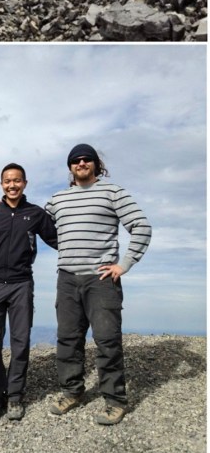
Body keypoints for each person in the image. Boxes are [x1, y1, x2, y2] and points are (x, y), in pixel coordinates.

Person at [45, 144, 151, 425]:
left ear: (96, 164)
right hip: (67, 279)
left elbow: (141, 226)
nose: (81, 163)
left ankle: (115, 400)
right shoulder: (57, 199)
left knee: (106, 340)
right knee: (68, 339)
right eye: (76, 160)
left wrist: (123, 264)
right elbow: (38, 225)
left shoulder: (113, 193)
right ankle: (72, 392)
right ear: (70, 167)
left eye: (86, 159)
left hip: (101, 280)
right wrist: (2, 207)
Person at [0, 163, 58, 422]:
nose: (12, 185)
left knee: (21, 342)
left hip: (22, 284)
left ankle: (14, 396)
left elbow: (57, 239)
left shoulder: (35, 214)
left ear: (25, 183)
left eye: (17, 180)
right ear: (1, 184)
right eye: (7, 181)